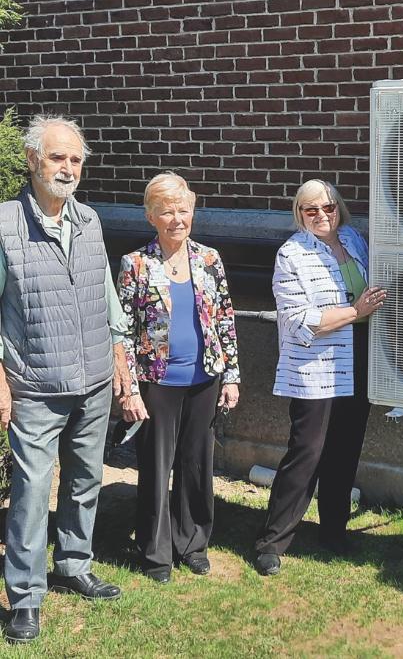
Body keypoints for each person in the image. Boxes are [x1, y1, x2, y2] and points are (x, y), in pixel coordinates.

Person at [0, 115, 132, 644]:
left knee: (85, 480)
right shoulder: (5, 224)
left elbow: (104, 293)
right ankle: (25, 597)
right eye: (58, 157)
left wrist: (119, 358)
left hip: (93, 379)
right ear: (33, 160)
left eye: (76, 159)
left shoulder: (91, 220)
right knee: (32, 492)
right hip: (35, 384)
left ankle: (74, 564)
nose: (68, 168)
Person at [253, 179, 385, 576]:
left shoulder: (353, 239)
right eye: (311, 210)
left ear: (338, 208)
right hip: (316, 368)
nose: (322, 216)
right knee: (307, 452)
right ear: (299, 214)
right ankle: (272, 542)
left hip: (359, 359)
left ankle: (333, 531)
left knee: (345, 449)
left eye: (328, 207)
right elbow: (298, 321)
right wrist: (355, 311)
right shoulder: (291, 254)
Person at [117, 172, 240, 584]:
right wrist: (129, 388)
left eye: (183, 210)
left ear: (193, 211)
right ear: (151, 216)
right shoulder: (135, 264)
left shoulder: (210, 259)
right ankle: (155, 553)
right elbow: (124, 334)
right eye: (166, 212)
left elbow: (225, 318)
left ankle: (193, 542)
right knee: (156, 467)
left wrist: (232, 376)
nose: (176, 219)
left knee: (196, 464)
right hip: (158, 383)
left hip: (205, 377)